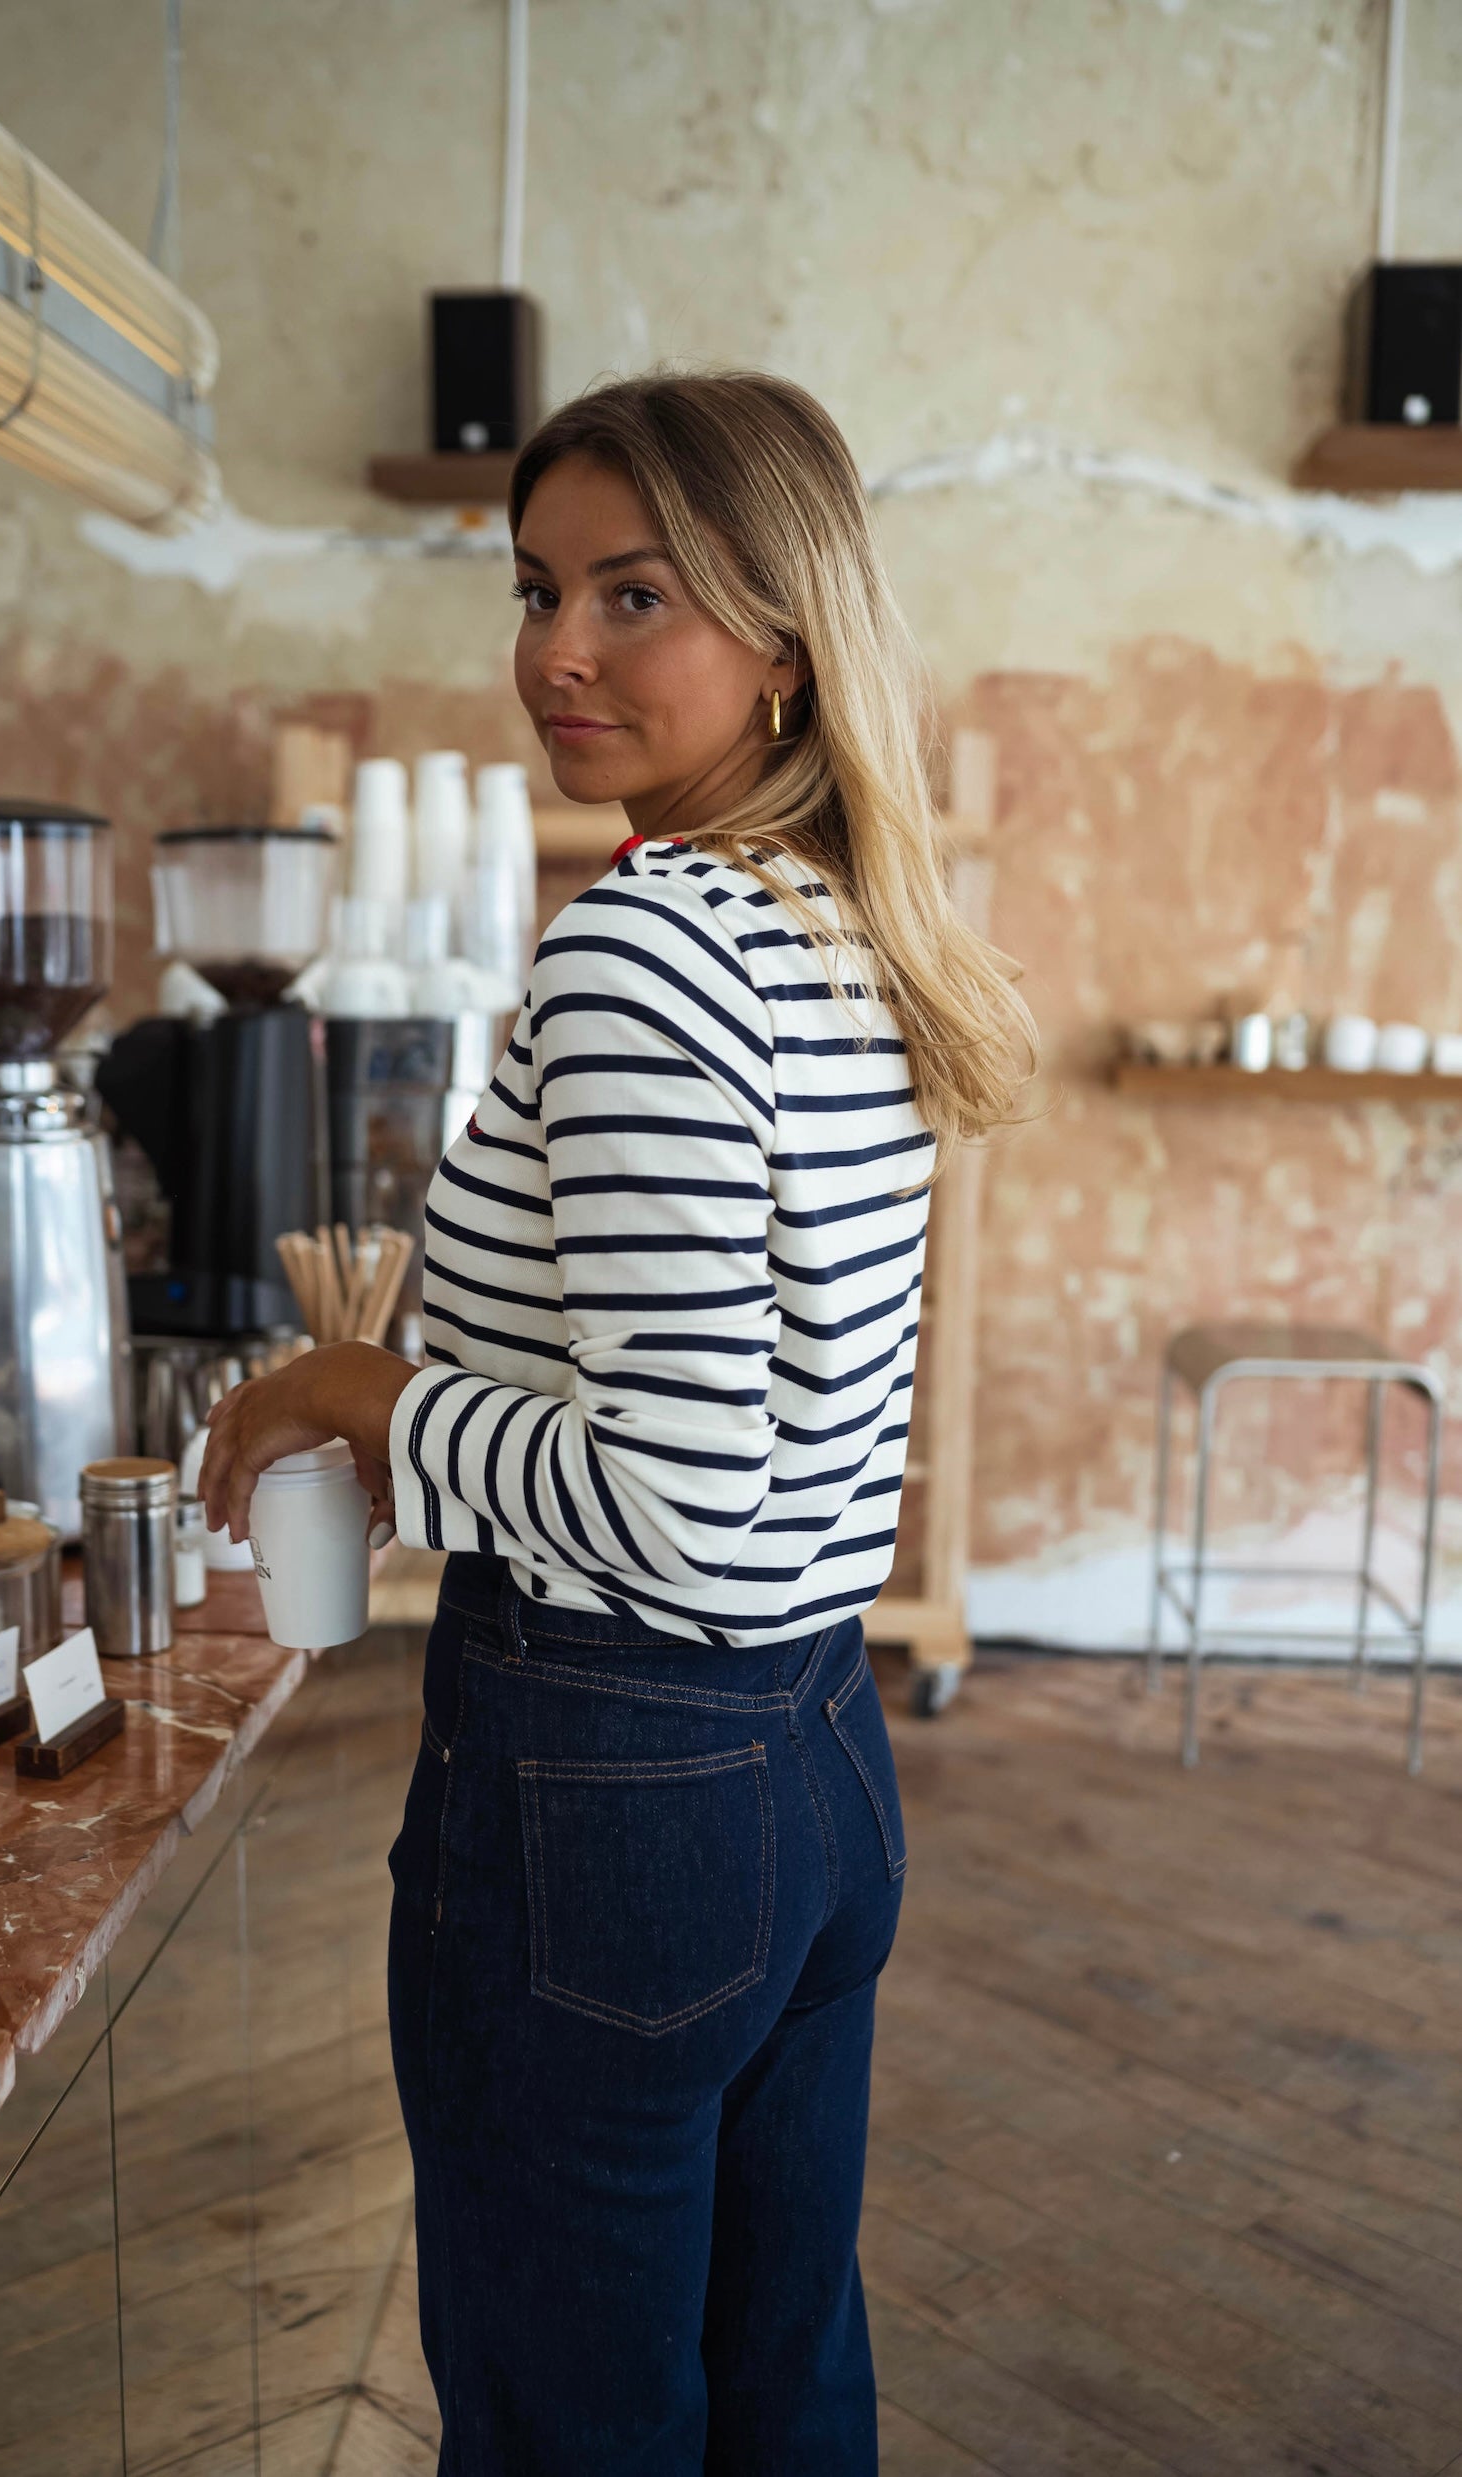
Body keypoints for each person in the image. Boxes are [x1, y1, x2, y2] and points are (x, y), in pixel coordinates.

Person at [200, 369, 1034, 2475]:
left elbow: (669, 1496)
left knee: (573, 2426)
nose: (556, 651)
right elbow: (757, 1446)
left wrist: (353, 1393)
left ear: (783, 641)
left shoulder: (646, 955)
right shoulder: (843, 929)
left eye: (634, 594)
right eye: (536, 587)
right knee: (777, 2396)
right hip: (811, 1764)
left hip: (611, 1788)